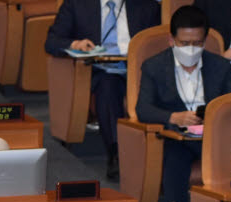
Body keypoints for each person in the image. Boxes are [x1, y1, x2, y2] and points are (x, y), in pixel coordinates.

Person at [135, 5, 231, 202]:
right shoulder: (154, 66)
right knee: (175, 153)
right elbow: (143, 109)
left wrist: (214, 116)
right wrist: (174, 116)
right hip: (177, 136)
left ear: (205, 41)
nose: (191, 50)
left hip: (212, 139)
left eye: (197, 43)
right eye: (184, 43)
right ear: (172, 40)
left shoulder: (220, 67)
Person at [45, 0, 161, 180]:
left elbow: (159, 44)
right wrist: (75, 44)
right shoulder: (76, 4)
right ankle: (116, 152)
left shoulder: (146, 5)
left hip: (138, 71)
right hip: (101, 71)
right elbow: (52, 42)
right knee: (108, 87)